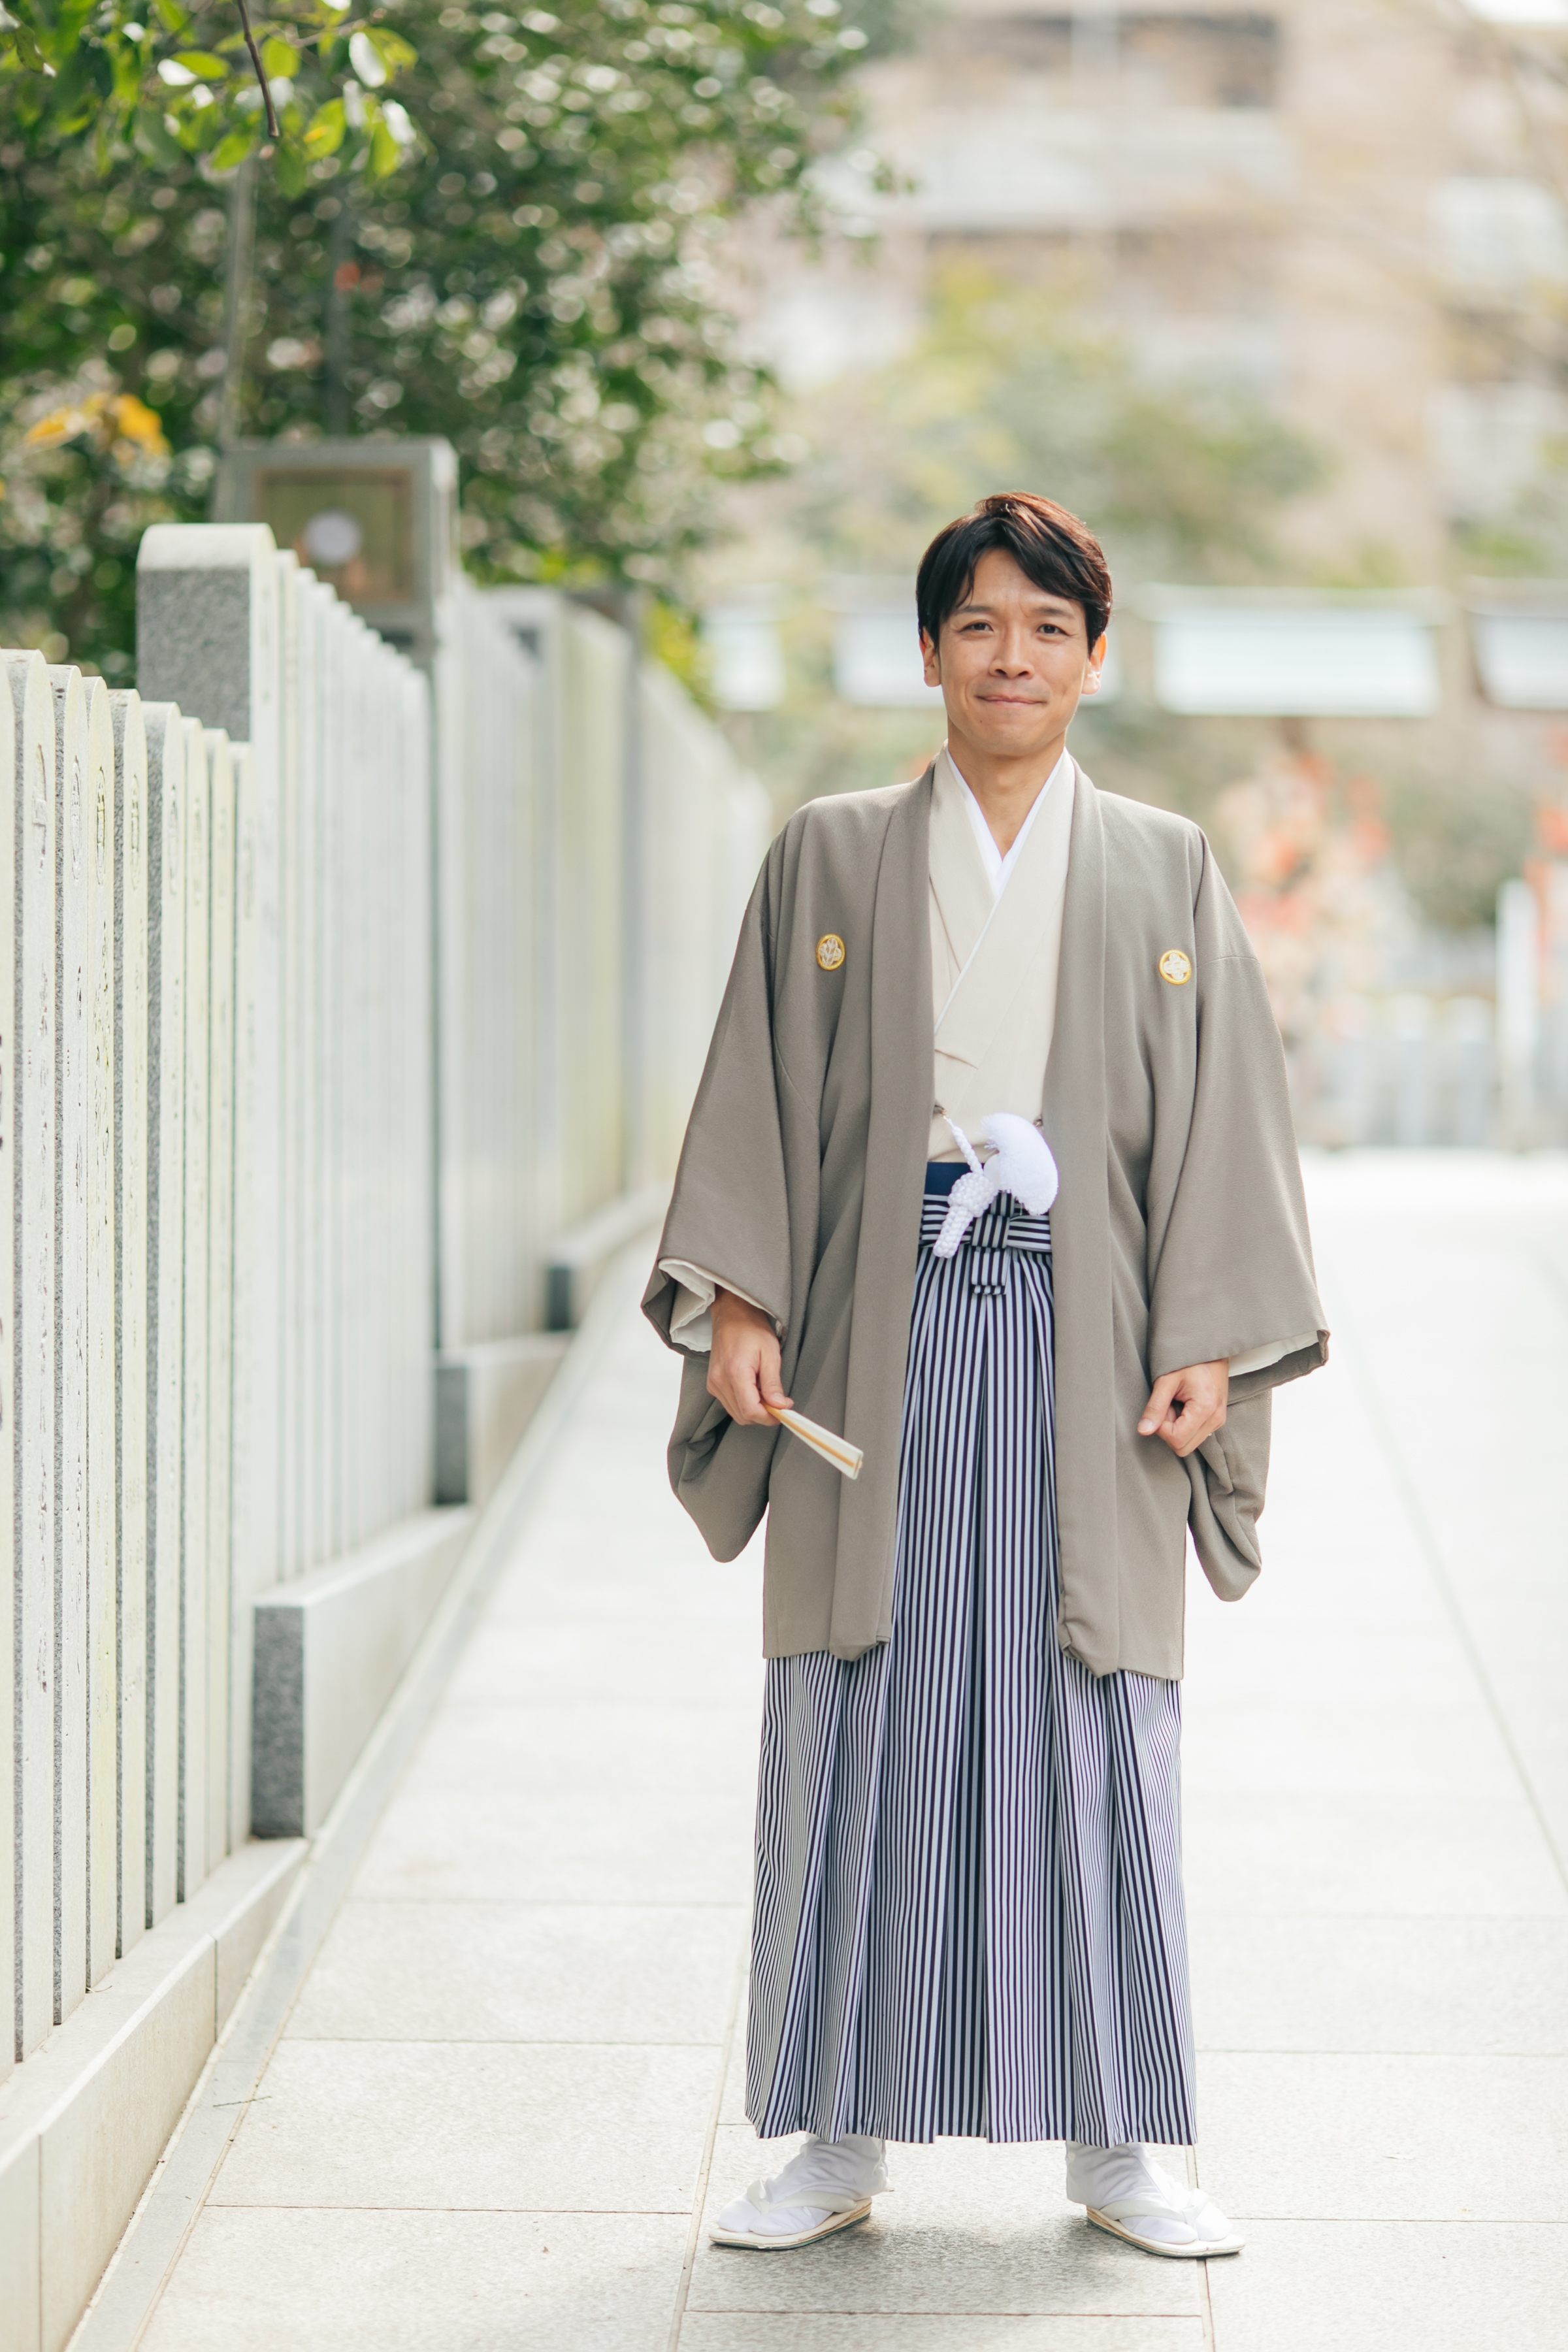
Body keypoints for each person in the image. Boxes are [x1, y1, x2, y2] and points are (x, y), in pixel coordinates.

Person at [643, 491, 1326, 2261]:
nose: (1010, 657)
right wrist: (736, 1297)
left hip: (1090, 1353)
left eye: (1046, 627)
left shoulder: (1164, 864)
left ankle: (1124, 2147)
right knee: (858, 1724)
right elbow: (756, 1097)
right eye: (977, 626)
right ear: (931, 653)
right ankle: (832, 2136)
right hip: (875, 1340)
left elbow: (1226, 1130)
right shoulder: (830, 854)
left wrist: (1207, 1342)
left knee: (1095, 1729)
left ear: (1097, 658)